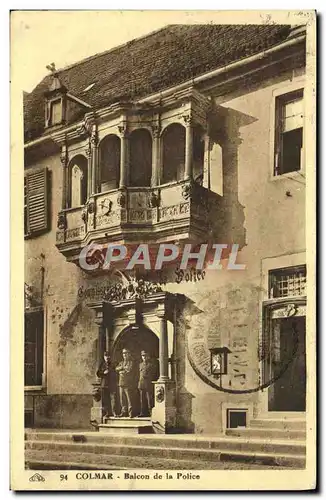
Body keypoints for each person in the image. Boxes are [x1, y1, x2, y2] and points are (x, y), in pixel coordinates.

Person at [116, 349, 136, 418]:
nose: (124, 355)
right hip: (121, 383)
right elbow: (116, 368)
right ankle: (124, 412)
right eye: (123, 353)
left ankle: (131, 413)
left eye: (126, 353)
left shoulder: (131, 362)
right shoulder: (121, 362)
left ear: (129, 354)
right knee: (122, 399)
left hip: (128, 383)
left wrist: (121, 371)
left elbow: (129, 370)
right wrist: (123, 368)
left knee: (129, 399)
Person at [96, 351, 117, 418]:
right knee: (105, 400)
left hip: (111, 384)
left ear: (110, 357)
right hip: (104, 385)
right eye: (105, 356)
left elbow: (116, 374)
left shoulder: (113, 365)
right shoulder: (102, 365)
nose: (107, 357)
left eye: (108, 356)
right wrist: (103, 373)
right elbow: (98, 374)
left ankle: (114, 412)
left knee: (113, 399)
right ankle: (107, 413)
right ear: (104, 357)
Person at [138, 351, 157, 417]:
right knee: (142, 400)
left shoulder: (151, 365)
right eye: (143, 356)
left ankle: (151, 413)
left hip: (148, 384)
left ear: (148, 357)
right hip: (141, 384)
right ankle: (142, 413)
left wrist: (147, 376)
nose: (144, 357)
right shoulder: (140, 364)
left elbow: (154, 374)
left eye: (145, 356)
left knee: (149, 399)